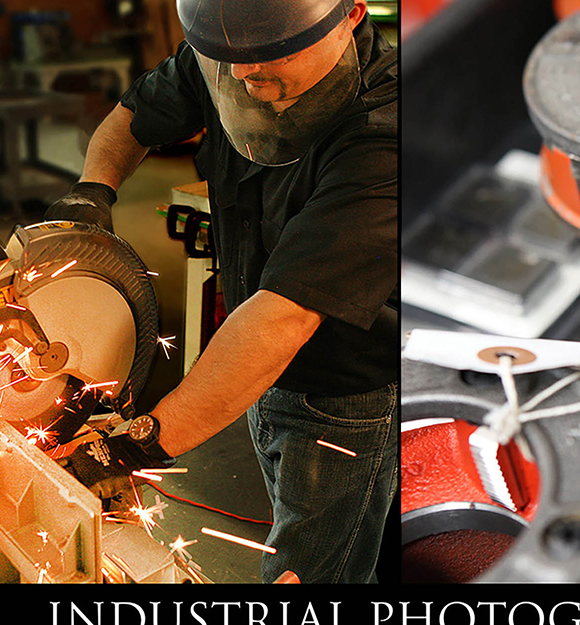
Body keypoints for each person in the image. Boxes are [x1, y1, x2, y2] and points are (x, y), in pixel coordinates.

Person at [46, 0, 397, 583]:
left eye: (270, 54)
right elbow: (132, 117)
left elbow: (284, 318)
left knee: (311, 577)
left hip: (343, 396)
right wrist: (93, 187)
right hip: (258, 367)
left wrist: (141, 445)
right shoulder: (227, 56)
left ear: (352, 14)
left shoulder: (383, 137)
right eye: (226, 57)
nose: (242, 75)